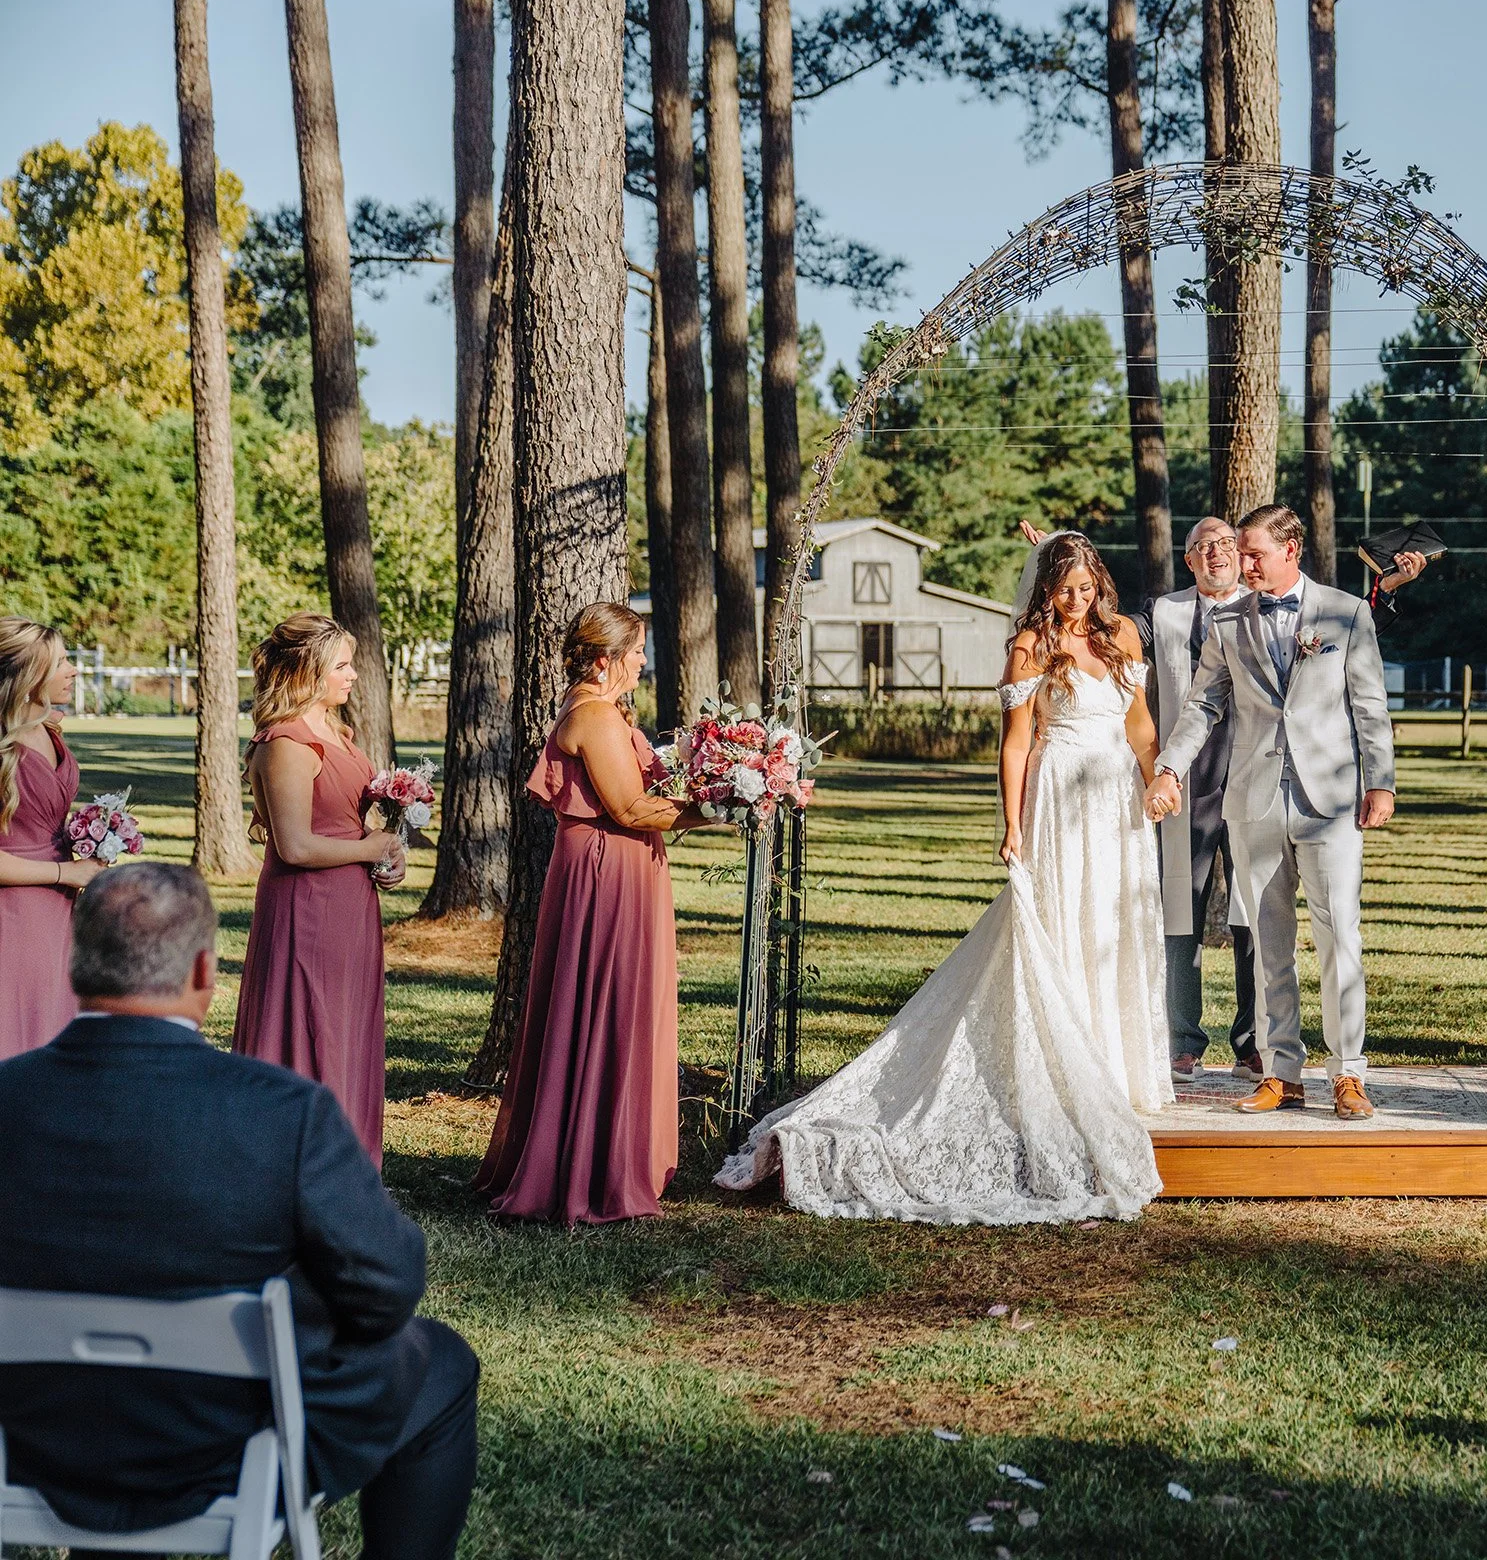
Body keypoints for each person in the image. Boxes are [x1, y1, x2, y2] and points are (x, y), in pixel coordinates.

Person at [0, 862, 479, 1560]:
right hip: (222, 1448)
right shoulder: (283, 1111)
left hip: (28, 1435)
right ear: (203, 971)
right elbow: (386, 1289)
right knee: (440, 1363)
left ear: (77, 966)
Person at [717, 535, 1172, 1222]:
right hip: (1057, 802)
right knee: (1060, 925)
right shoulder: (1029, 647)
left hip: (1117, 807)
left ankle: (1117, 1065)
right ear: (1046, 589)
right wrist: (1013, 825)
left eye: (1086, 587)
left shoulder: (1123, 637)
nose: (1077, 601)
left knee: (1113, 924)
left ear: (1099, 582)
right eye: (1065, 589)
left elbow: (1139, 726)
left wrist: (1156, 780)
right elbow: (1017, 744)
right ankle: (1065, 1072)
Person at [1147, 504, 1398, 1121]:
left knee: (1340, 934)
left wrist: (1381, 783)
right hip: (1253, 800)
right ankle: (1280, 1071)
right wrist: (1171, 766)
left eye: (1254, 553)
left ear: (1292, 550)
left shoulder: (1346, 613)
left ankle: (1348, 1075)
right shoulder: (1229, 620)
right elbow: (1202, 706)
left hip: (1330, 800)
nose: (1243, 563)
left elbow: (1370, 706)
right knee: (1267, 942)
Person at [476, 602, 699, 1225]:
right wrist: (719, 812)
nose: (641, 663)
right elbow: (628, 809)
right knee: (607, 1001)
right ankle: (590, 1167)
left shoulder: (602, 710)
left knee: (610, 1003)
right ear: (604, 660)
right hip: (607, 869)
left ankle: (605, 1152)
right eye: (634, 654)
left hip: (616, 866)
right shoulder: (595, 715)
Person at [233, 613, 404, 1165]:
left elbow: (348, 828)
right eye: (342, 666)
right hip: (306, 908)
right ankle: (294, 1161)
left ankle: (346, 1157)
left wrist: (385, 852)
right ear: (307, 672)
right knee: (308, 1021)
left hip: (350, 904)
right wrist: (368, 848)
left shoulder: (337, 733)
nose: (353, 675)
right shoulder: (287, 744)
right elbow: (296, 847)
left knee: (346, 1023)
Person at [1144, 517, 1262, 1080]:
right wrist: (1055, 557)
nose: (1215, 553)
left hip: (1251, 779)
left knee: (1255, 911)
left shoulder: (1271, 606)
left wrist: (1383, 592)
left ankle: (1253, 1040)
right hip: (1183, 784)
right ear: (1188, 561)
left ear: (1239, 555)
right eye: (1202, 547)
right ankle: (1184, 1039)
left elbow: (1341, 630)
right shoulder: (1163, 612)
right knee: (1180, 912)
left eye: (1224, 544)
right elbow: (1101, 627)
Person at [0, 618, 97, 1060]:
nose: (72, 669)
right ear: (28, 674)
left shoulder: (49, 729)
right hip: (15, 915)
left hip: (61, 907)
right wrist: (66, 871)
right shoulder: (5, 748)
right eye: (60, 662)